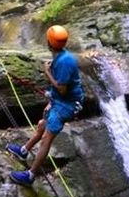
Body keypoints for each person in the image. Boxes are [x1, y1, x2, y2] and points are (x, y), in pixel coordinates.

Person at [6, 25, 85, 186]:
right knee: (42, 124)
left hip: (67, 105)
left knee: (46, 139)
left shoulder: (64, 62)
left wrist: (47, 72)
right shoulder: (61, 56)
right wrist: (51, 101)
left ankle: (30, 176)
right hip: (60, 102)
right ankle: (23, 151)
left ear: (49, 43)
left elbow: (62, 89)